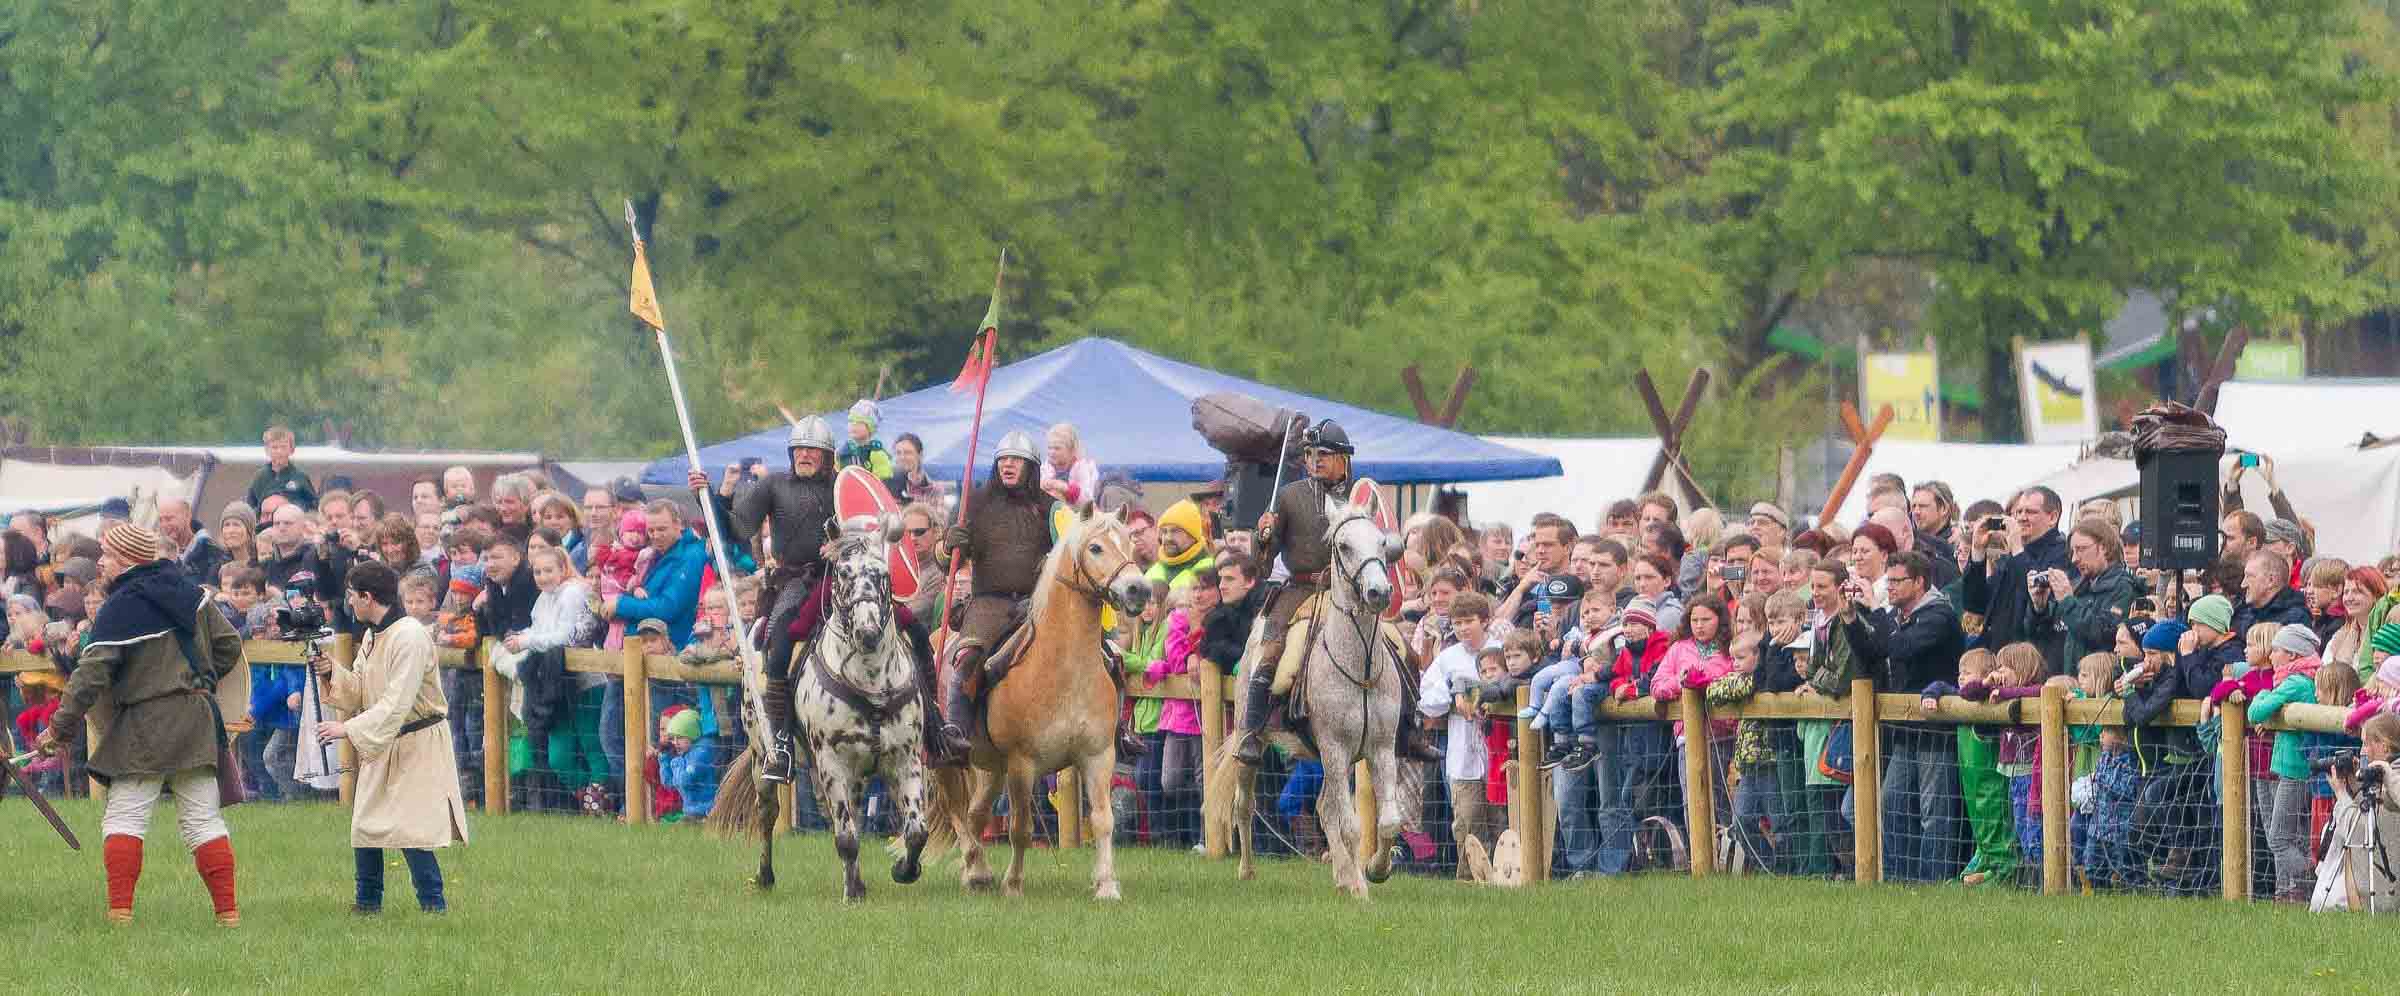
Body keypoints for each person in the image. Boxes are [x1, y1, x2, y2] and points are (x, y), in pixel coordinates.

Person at [36, 524, 244, 926]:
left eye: (107, 555)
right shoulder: (191, 594)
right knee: (203, 820)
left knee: (125, 818)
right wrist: (194, 683)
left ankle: (120, 916)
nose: (100, 562)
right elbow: (229, 646)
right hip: (198, 719)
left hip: (145, 722)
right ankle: (228, 916)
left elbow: (90, 676)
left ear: (128, 559)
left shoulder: (121, 607)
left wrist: (59, 728)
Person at [1236, 419, 1436, 766]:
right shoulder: (1289, 497)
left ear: (1344, 458)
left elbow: (1381, 546)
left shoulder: (1362, 497)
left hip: (1352, 595)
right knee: (1270, 651)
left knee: (1404, 651)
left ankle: (1411, 729)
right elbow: (1262, 565)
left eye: (1324, 454)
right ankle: (1252, 733)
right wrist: (1262, 538)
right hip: (1300, 591)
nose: (1315, 461)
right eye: (1311, 454)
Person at [313, 561, 467, 915]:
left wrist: (348, 729)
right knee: (365, 822)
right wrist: (331, 672)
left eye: (353, 597)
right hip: (385, 740)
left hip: (417, 741)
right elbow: (360, 691)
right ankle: (367, 903)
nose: (350, 604)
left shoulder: (410, 636)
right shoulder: (373, 635)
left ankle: (433, 905)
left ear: (367, 597)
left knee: (410, 826)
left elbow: (397, 702)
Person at [692, 415, 837, 782]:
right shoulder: (774, 485)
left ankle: (928, 725)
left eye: (813, 450)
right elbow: (739, 527)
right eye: (799, 449)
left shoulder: (842, 487)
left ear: (827, 456)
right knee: (781, 642)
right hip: (794, 583)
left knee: (903, 629)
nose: (805, 455)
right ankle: (782, 741)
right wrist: (709, 496)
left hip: (843, 579)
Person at [937, 430, 1086, 762]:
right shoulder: (974, 504)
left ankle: (1113, 730)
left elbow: (1071, 556)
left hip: (1038, 603)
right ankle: (956, 735)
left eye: (1015, 460)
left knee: (1093, 651)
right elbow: (944, 563)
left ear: (1030, 466)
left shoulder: (1051, 509)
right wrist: (949, 545)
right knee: (967, 660)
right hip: (989, 603)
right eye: (1003, 459)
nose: (1008, 464)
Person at [1961, 486, 2070, 658]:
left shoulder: (2063, 553)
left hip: (2033, 660)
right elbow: (1975, 604)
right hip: (1999, 659)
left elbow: (2036, 597)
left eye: (2030, 512)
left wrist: (2018, 548)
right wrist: (1977, 552)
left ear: (2052, 517)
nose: (2021, 518)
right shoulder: (2011, 557)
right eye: (2018, 512)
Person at [2029, 519, 2139, 674]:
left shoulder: (2124, 588)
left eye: (2081, 549)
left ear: (2104, 548)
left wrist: (2067, 601)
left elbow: (2104, 635)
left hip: (2100, 686)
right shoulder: (2078, 587)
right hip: (2065, 684)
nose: (2074, 559)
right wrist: (2040, 607)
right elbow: (2039, 636)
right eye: (2072, 551)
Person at [1144, 498, 1215, 594]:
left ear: (1193, 536)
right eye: (1164, 532)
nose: (1168, 538)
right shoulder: (1152, 572)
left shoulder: (1211, 568)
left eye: (1175, 531)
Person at [247, 426, 317, 513]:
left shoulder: (300, 477)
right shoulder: (260, 477)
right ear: (267, 450)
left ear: (292, 450)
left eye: (283, 447)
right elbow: (250, 507)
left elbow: (313, 506)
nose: (279, 451)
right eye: (274, 447)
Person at [1038, 422, 1100, 509]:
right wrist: (1042, 484)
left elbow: (1087, 501)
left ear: (1071, 450)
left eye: (1057, 448)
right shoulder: (1047, 466)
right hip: (1060, 508)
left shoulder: (1081, 467)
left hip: (1081, 505)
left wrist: (1066, 488)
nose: (1051, 452)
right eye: (1049, 448)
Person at [839, 399, 896, 478]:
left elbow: (883, 482)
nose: (853, 425)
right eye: (851, 421)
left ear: (870, 428)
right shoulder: (843, 451)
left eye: (859, 422)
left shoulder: (876, 453)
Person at [885, 432, 943, 505]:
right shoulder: (886, 483)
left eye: (908, 453)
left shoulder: (933, 489)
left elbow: (937, 515)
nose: (902, 457)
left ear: (920, 455)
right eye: (898, 453)